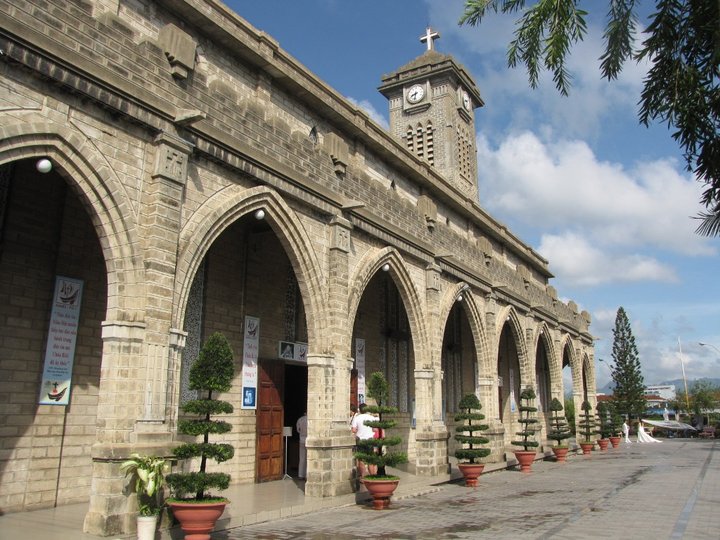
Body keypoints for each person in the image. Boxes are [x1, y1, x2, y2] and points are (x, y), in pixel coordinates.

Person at [351, 403, 376, 476]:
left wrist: (359, 430)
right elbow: (375, 429)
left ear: (360, 410)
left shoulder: (357, 418)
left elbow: (354, 430)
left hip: (361, 440)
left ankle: (362, 477)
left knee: (361, 460)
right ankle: (372, 476)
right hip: (370, 440)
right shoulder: (371, 418)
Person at [296, 412, 308, 479]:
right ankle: (306, 474)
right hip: (307, 439)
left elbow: (298, 429)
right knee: (307, 458)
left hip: (301, 439)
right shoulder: (309, 420)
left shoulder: (300, 420)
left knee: (302, 458)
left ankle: (300, 474)